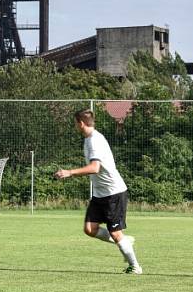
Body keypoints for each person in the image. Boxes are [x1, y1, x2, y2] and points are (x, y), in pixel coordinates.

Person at [54, 109, 142, 274]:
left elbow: (95, 168)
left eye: (75, 123)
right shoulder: (88, 139)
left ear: (80, 123)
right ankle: (125, 241)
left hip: (113, 193)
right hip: (100, 194)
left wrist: (69, 172)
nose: (75, 126)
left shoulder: (95, 140)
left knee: (115, 233)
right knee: (90, 229)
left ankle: (135, 266)